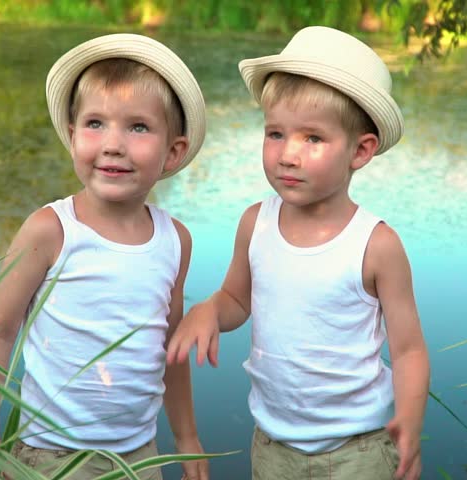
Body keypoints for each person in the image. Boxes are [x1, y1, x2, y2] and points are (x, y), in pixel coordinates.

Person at [167, 26, 430, 480]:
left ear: (360, 151)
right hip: (273, 446)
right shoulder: (256, 223)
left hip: (358, 452)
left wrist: (409, 419)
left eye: (312, 139)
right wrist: (208, 310)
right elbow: (236, 299)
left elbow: (407, 350)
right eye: (275, 133)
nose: (287, 154)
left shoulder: (375, 245)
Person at [0, 33, 208, 480]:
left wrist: (188, 437)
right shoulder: (51, 231)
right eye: (96, 123)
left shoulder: (176, 240)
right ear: (73, 135)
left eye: (138, 127)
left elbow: (170, 348)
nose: (113, 144)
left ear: (173, 152)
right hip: (51, 458)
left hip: (140, 458)